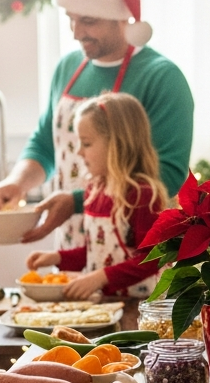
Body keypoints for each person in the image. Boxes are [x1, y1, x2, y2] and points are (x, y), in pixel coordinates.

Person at [0, 0, 193, 248]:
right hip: (70, 243)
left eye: (89, 21)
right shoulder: (67, 68)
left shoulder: (162, 78)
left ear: (120, 16)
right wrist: (17, 182)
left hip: (133, 248)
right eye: (71, 19)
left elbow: (165, 176)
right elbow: (46, 144)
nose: (77, 33)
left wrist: (77, 201)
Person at [24, 93, 166, 299]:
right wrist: (56, 258)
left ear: (117, 144)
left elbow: (152, 259)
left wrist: (100, 277)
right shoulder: (95, 191)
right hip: (109, 301)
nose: (79, 152)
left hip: (141, 305)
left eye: (87, 143)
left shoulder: (140, 194)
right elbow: (97, 252)